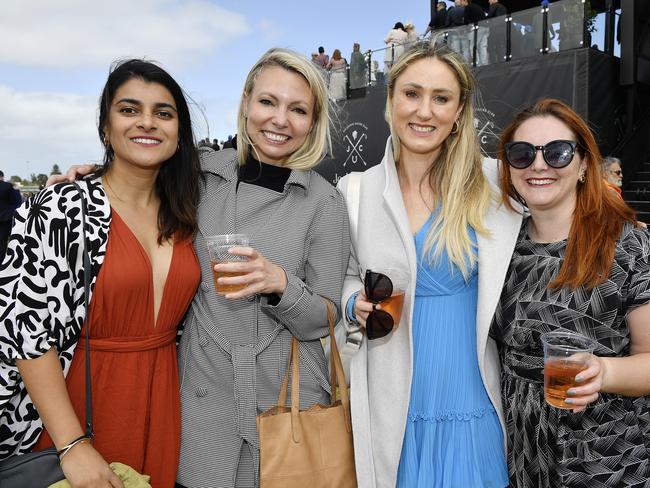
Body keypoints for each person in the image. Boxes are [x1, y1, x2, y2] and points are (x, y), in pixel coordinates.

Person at [0, 59, 202, 488]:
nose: (147, 122)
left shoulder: (188, 213)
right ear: (105, 127)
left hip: (163, 403)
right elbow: (24, 330)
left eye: (163, 113)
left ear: (179, 133)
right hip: (76, 407)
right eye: (129, 110)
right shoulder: (62, 208)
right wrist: (72, 445)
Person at [337, 41, 519, 487]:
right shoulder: (355, 191)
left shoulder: (496, 182)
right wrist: (351, 306)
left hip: (471, 397)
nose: (425, 111)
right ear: (391, 101)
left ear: (459, 112)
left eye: (441, 98)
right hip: (392, 399)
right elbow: (342, 280)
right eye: (412, 94)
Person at [174, 48, 350, 488]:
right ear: (246, 104)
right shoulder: (198, 178)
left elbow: (326, 318)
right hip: (204, 398)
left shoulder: (324, 202)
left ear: (312, 122)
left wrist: (280, 285)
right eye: (268, 102)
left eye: (298, 110)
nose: (280, 120)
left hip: (286, 404)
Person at [490, 98, 650, 487]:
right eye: (522, 154)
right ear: (508, 168)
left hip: (604, 457)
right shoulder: (498, 248)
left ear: (582, 165)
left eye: (558, 153)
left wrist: (605, 370)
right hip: (519, 456)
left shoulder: (627, 245)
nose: (539, 165)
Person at [0, 169, 21, 262]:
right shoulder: (7, 186)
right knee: (3, 243)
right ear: (2, 177)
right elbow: (17, 202)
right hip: (5, 219)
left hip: (5, 217)